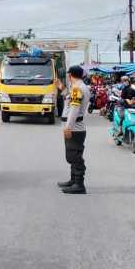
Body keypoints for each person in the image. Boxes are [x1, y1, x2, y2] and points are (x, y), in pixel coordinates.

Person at [57, 65, 91, 194]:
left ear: (70, 75)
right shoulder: (78, 88)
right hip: (76, 127)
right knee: (73, 154)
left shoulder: (77, 88)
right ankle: (73, 180)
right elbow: (70, 100)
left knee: (74, 156)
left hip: (75, 128)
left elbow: (74, 109)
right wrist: (62, 88)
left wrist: (68, 127)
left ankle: (79, 184)